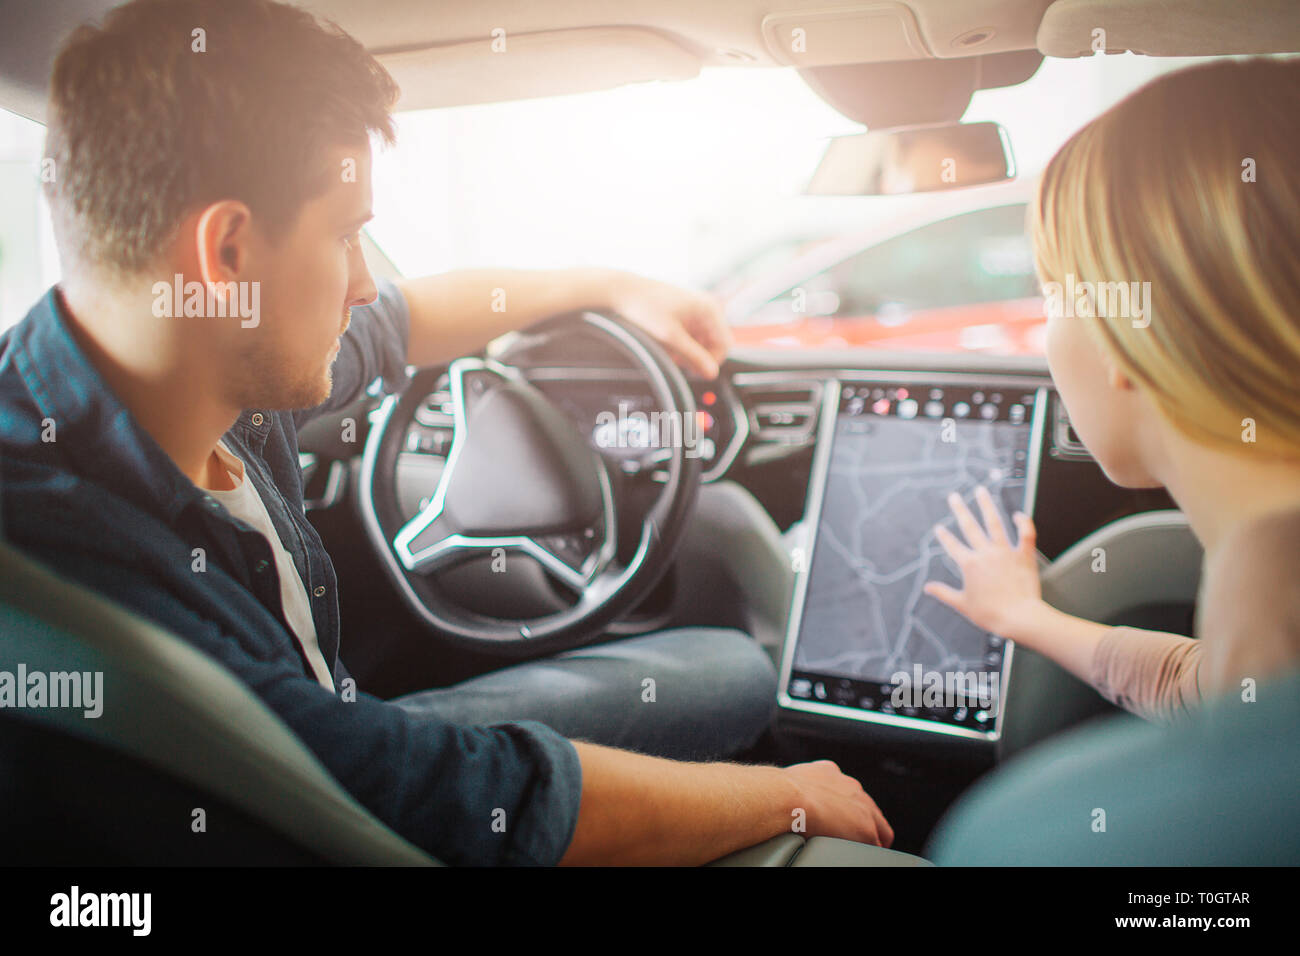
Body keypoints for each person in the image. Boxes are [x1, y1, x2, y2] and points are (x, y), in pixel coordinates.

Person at [0, 0, 893, 864]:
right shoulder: (62, 551)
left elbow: (404, 319)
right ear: (226, 251)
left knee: (732, 670)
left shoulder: (201, 356)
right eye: (347, 236)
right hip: (326, 796)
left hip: (339, 741)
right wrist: (789, 798)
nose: (360, 283)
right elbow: (439, 806)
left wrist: (610, 284)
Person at [923, 57, 1300, 725]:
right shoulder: (1268, 574)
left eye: (1054, 300)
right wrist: (1025, 617)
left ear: (1121, 332)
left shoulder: (1276, 574)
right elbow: (1210, 686)